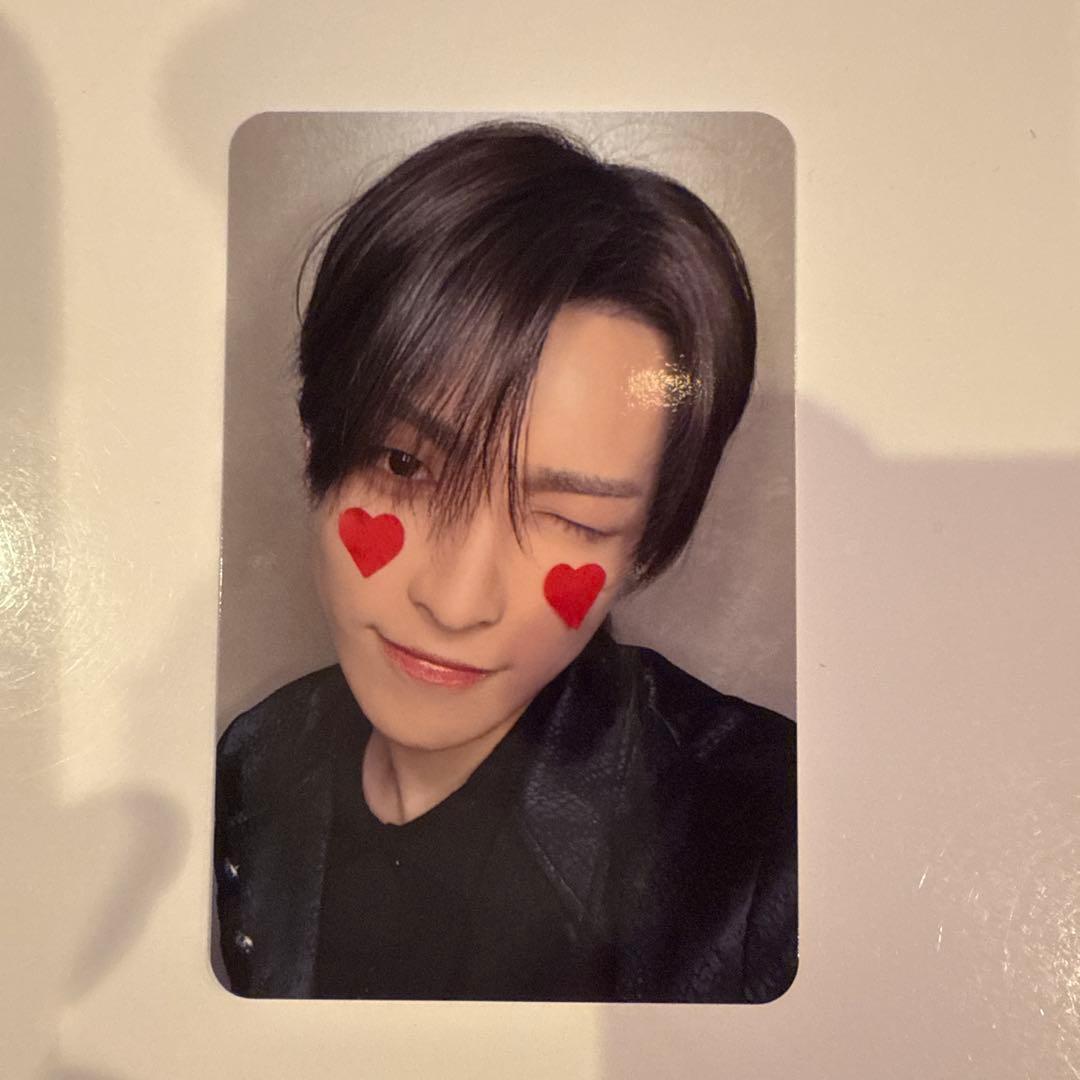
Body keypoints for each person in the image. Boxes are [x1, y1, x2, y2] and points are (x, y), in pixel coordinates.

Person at [214, 120, 796, 1002]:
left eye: (569, 519)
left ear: (645, 546)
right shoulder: (248, 766)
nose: (455, 602)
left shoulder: (773, 851)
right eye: (403, 466)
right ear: (314, 444)